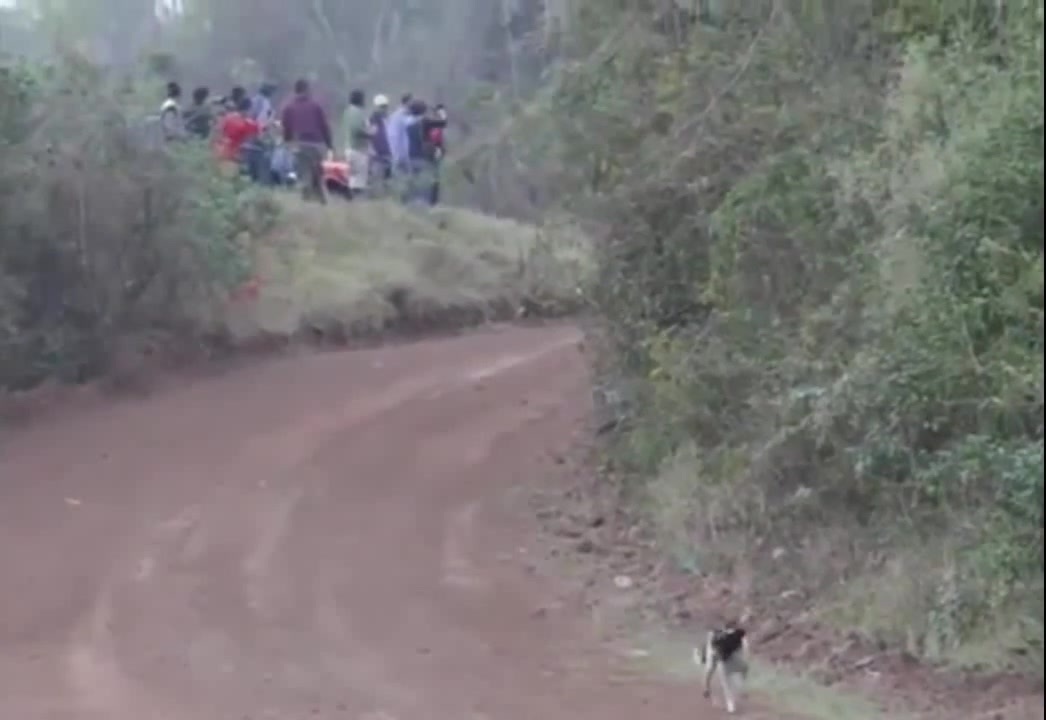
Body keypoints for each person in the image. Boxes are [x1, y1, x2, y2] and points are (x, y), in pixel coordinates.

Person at [281, 78, 334, 204]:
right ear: (306, 89)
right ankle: (319, 201)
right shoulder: (315, 106)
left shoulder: (288, 107)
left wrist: (287, 142)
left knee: (305, 173)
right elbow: (324, 126)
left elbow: (286, 128)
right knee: (317, 174)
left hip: (299, 145)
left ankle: (308, 200)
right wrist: (329, 145)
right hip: (316, 145)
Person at [215, 95, 261, 172]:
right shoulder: (247, 123)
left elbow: (218, 131)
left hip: (219, 151)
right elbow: (258, 133)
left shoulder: (227, 116)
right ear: (248, 109)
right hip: (232, 155)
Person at [342, 89, 371, 198]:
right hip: (358, 149)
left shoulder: (347, 111)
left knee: (352, 177)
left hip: (349, 147)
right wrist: (371, 133)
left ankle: (351, 199)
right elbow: (357, 129)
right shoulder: (357, 113)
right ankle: (357, 198)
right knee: (359, 178)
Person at [369, 94, 393, 191]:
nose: (384, 109)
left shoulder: (388, 118)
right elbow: (372, 135)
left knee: (387, 176)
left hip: (388, 151)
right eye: (382, 107)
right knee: (377, 176)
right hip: (377, 153)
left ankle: (385, 193)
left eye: (385, 106)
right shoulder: (373, 119)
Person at [386, 93, 412, 176]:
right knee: (397, 166)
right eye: (410, 102)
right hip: (397, 145)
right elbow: (394, 133)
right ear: (407, 102)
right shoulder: (400, 114)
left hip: (400, 145)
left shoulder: (400, 114)